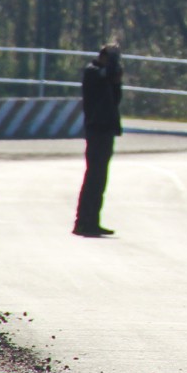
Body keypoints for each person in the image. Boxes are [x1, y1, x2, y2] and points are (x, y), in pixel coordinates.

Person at [74, 43, 124, 238]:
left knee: (100, 179)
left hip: (106, 130)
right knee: (93, 177)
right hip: (96, 130)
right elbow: (105, 75)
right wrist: (112, 63)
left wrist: (116, 79)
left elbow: (116, 96)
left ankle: (93, 220)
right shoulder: (92, 72)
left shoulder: (106, 76)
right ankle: (83, 221)